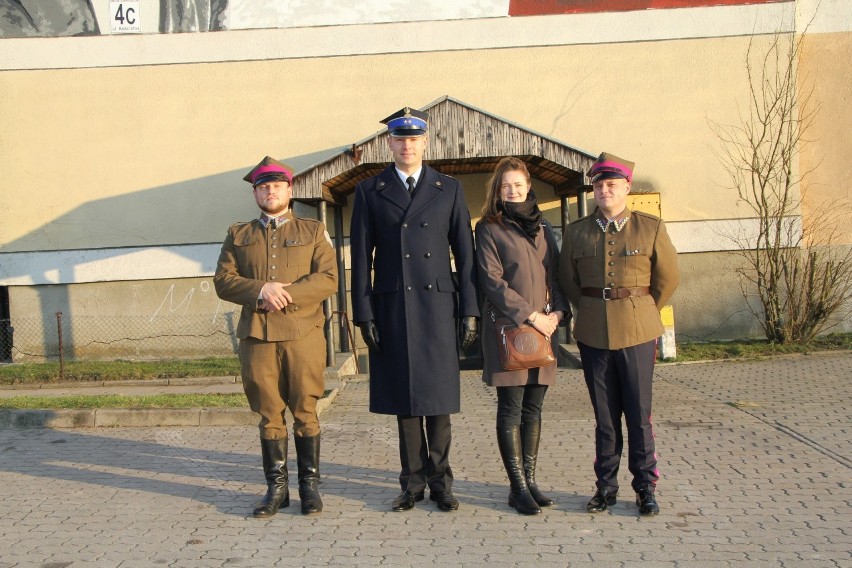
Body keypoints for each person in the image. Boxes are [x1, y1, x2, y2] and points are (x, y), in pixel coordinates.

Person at [350, 107, 480, 512]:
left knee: (438, 399)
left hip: (438, 305)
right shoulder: (370, 191)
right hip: (394, 305)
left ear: (425, 143)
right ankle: (412, 482)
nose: (406, 146)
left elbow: (466, 253)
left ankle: (441, 482)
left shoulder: (449, 188)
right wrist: (364, 313)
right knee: (404, 398)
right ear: (389, 144)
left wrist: (470, 310)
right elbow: (360, 257)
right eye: (399, 139)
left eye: (413, 139)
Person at [214, 156, 338, 517]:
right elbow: (223, 280)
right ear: (256, 193)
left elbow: (328, 278)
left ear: (290, 190)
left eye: (277, 185)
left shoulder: (312, 231)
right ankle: (277, 489)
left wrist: (286, 294)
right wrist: (261, 289)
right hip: (257, 336)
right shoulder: (239, 234)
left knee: (305, 410)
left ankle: (309, 487)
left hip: (302, 333)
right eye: (263, 187)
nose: (271, 191)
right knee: (268, 414)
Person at [558, 152, 679, 516]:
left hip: (638, 330)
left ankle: (645, 487)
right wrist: (591, 308)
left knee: (639, 415)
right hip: (594, 332)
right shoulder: (577, 231)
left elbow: (668, 278)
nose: (604, 190)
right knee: (605, 418)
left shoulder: (650, 227)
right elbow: (569, 281)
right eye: (598, 184)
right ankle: (605, 488)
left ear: (627, 187)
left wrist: (643, 309)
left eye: (611, 184)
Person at [475, 157, 568, 515]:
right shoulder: (489, 228)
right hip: (510, 331)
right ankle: (516, 487)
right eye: (505, 186)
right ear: (497, 191)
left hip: (545, 331)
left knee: (534, 408)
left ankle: (530, 481)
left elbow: (554, 276)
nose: (512, 190)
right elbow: (492, 281)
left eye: (518, 184)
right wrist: (532, 316)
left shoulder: (544, 227)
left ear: (529, 186)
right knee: (511, 409)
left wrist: (557, 313)